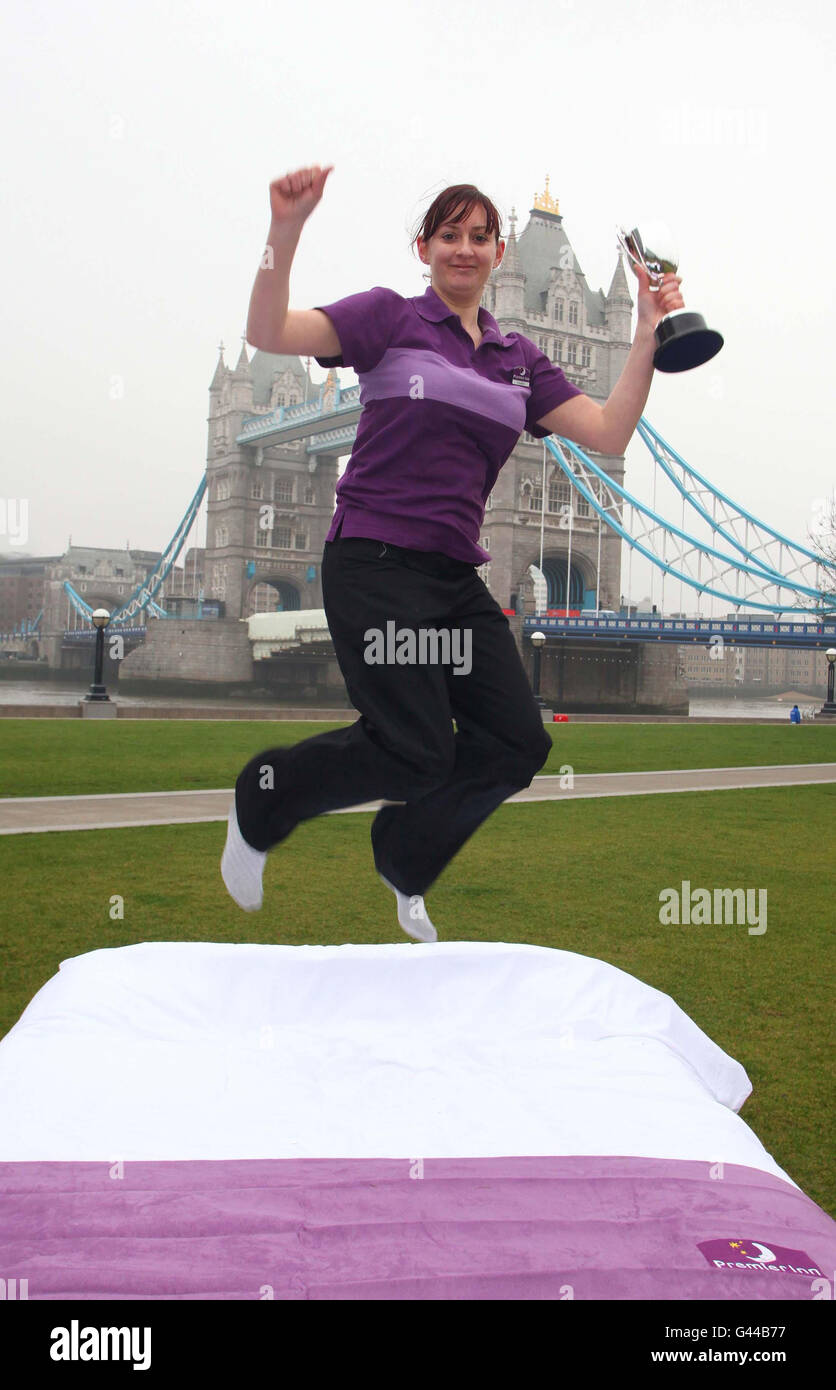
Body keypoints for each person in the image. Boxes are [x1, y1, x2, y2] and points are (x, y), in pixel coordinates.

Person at [221, 164, 685, 939]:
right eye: (448, 235)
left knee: (517, 742)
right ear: (424, 249)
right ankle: (263, 795)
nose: (464, 248)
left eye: (479, 236)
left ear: (500, 254)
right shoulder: (387, 318)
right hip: (373, 562)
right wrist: (285, 230)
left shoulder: (517, 359)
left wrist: (644, 332)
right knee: (415, 750)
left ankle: (406, 856)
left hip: (453, 577)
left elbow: (608, 433)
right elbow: (270, 332)